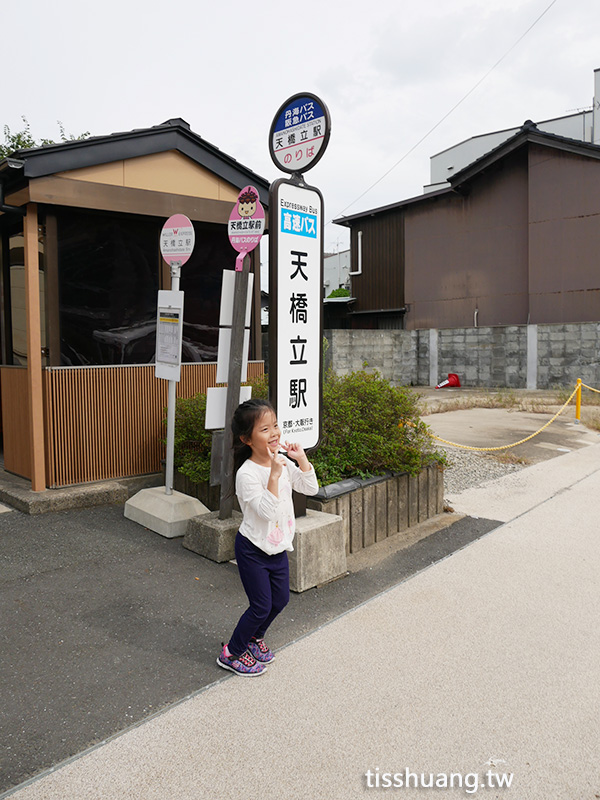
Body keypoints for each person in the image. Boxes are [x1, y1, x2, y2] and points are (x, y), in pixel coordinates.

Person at [217, 398, 319, 676]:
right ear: (246, 439)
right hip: (253, 549)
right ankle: (232, 652)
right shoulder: (247, 474)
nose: (274, 433)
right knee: (261, 605)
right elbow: (265, 511)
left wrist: (301, 459)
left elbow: (309, 488)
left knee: (280, 600)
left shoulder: (283, 460)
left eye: (275, 425)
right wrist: (274, 476)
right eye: (265, 429)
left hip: (277, 546)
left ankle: (254, 638)